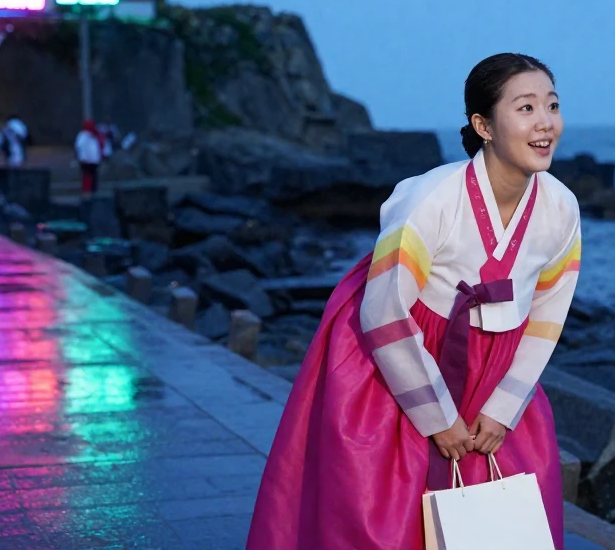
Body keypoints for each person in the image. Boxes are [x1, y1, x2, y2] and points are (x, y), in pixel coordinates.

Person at [247, 53, 581, 549]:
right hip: (404, 359)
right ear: (484, 125)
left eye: (552, 106)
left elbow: (549, 312)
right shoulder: (432, 198)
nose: (545, 123)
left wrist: (505, 407)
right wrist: (438, 417)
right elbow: (383, 310)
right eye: (526, 108)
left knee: (506, 519)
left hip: (495, 374)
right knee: (376, 518)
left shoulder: (560, 207)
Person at [74, 119, 104, 196]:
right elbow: (80, 147)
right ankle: (87, 192)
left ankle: (93, 191)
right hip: (86, 161)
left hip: (94, 161)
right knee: (87, 176)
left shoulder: (94, 135)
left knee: (94, 177)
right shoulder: (83, 135)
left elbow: (97, 147)